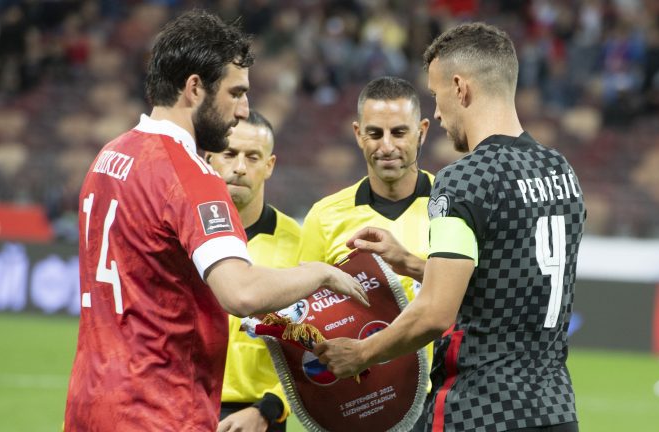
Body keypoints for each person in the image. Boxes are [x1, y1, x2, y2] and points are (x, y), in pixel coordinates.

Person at [63, 11, 367, 432]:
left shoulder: (110, 156)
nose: (244, 110)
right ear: (194, 88)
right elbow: (240, 292)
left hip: (90, 400)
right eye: (236, 93)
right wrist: (320, 273)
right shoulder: (192, 176)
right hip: (158, 409)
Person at [315, 22, 585, 432]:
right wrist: (410, 263)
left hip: (478, 411)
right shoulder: (561, 172)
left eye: (437, 95)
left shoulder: (464, 180)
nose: (438, 113)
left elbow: (435, 313)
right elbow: (504, 282)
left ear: (460, 88)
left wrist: (361, 354)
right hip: (555, 410)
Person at [298, 75, 432, 308]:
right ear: (358, 134)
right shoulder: (324, 216)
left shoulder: (455, 204)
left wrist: (410, 264)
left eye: (399, 133)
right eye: (375, 134)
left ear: (422, 132)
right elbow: (305, 311)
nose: (387, 147)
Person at [208, 110, 299, 431]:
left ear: (269, 165)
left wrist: (269, 409)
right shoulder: (179, 236)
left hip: (260, 417)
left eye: (252, 157)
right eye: (229, 154)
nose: (239, 167)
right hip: (181, 408)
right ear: (209, 158)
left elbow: (316, 346)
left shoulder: (299, 244)